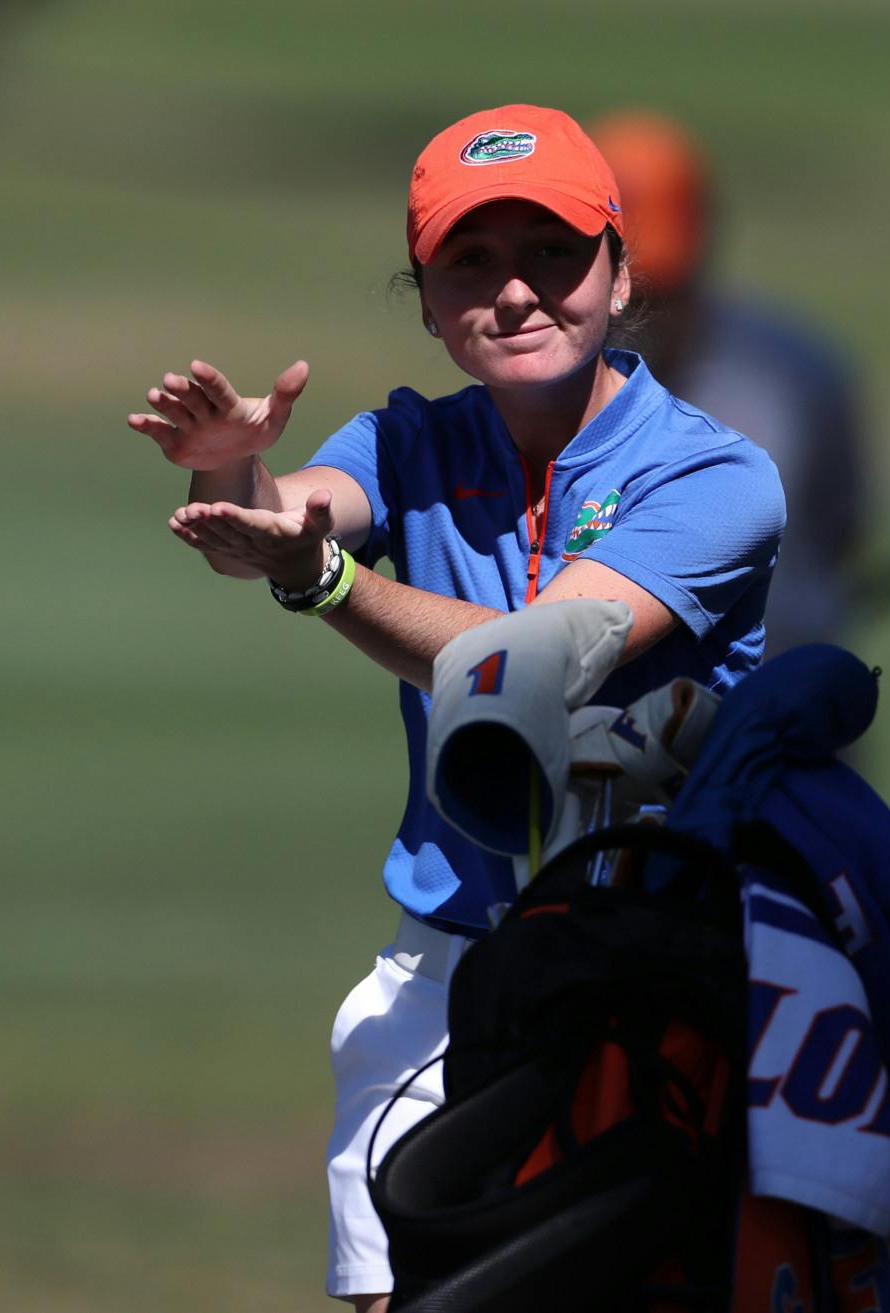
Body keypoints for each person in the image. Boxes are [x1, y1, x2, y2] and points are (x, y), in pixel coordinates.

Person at [125, 104, 784, 1312]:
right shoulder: (405, 441)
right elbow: (283, 520)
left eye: (553, 252)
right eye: (469, 263)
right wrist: (231, 468)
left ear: (622, 270)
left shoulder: (714, 475)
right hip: (443, 975)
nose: (515, 292)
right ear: (425, 301)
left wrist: (319, 579)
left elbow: (539, 654)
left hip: (662, 984)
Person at [591, 110, 889, 656]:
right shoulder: (542, 393)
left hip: (787, 709)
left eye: (666, 290)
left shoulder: (794, 371)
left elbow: (842, 526)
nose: (647, 313)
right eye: (632, 290)